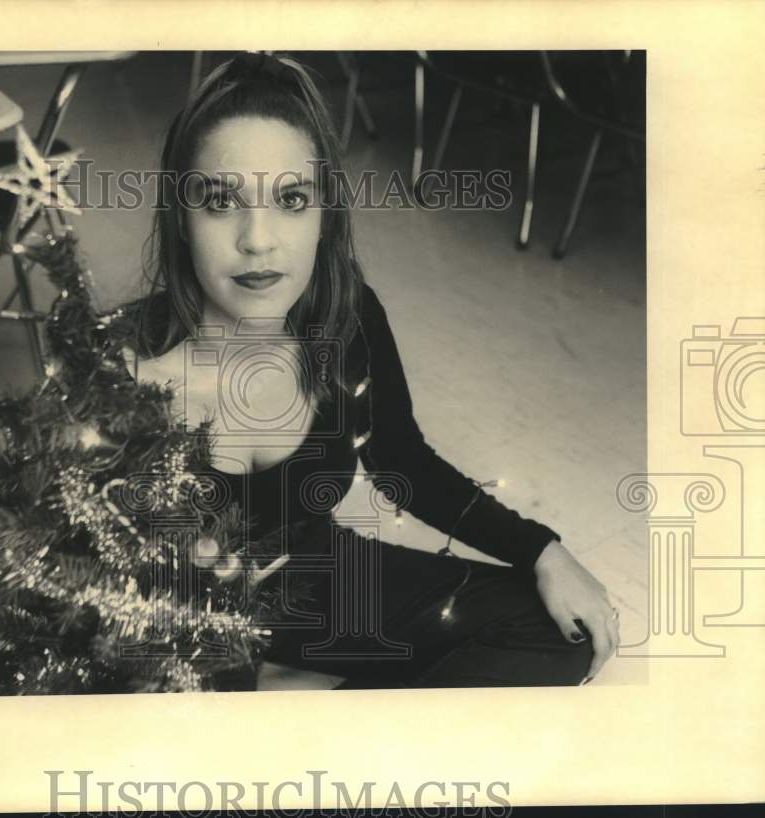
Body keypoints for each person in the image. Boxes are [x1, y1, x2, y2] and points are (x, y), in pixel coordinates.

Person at [119, 52, 620, 688]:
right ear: (181, 220)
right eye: (220, 203)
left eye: (291, 200)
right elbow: (80, 588)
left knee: (555, 632)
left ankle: (344, 732)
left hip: (317, 583)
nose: (258, 240)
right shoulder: (121, 363)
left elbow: (401, 460)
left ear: (324, 215)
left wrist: (543, 551)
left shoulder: (346, 316)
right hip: (177, 623)